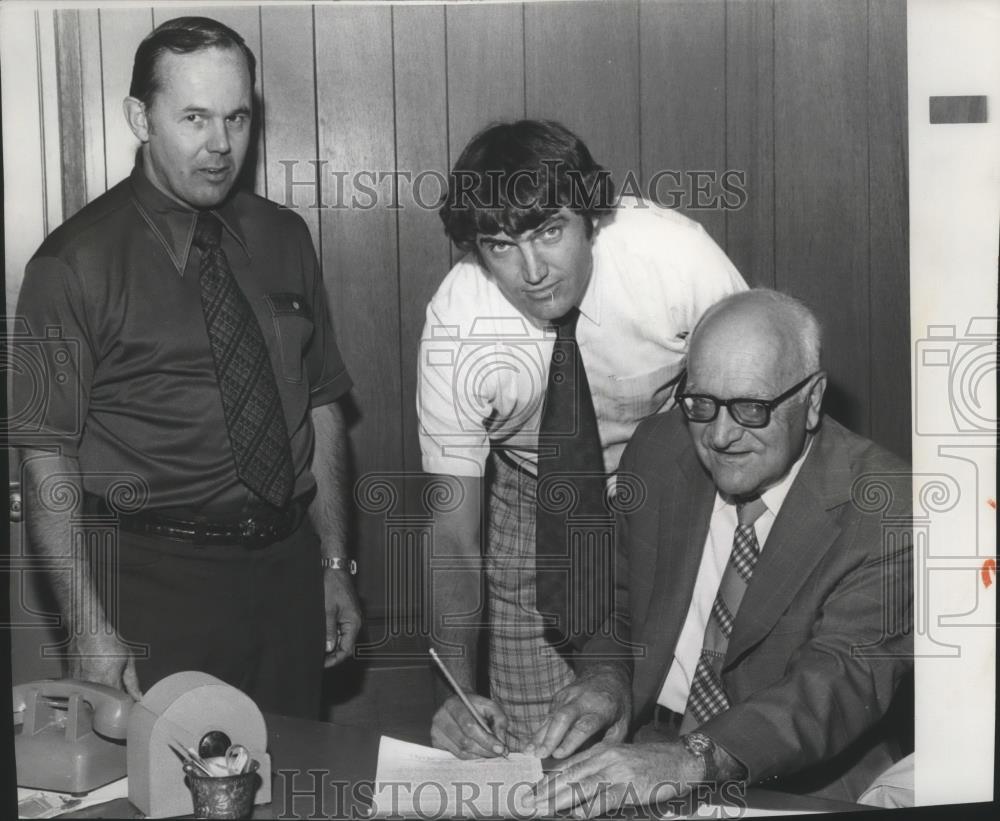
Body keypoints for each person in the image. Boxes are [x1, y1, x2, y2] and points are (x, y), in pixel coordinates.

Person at [11, 17, 360, 719]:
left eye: (236, 117)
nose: (220, 145)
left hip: (287, 574)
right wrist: (86, 623)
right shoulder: (71, 263)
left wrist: (332, 562)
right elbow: (44, 454)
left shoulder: (284, 237)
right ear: (140, 117)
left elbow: (320, 406)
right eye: (194, 117)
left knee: (288, 785)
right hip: (153, 584)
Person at [417, 120, 747, 758]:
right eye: (501, 245)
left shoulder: (673, 257)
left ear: (593, 216)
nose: (533, 271)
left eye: (549, 231)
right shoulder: (457, 324)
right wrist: (452, 694)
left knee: (693, 724)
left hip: (682, 474)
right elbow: (454, 537)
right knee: (533, 752)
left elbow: (763, 386)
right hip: (532, 492)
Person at [533, 289, 912, 813]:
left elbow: (835, 684)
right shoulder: (660, 448)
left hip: (795, 777)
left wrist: (690, 761)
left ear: (814, 400)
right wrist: (607, 677)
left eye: (752, 408)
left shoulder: (886, 505)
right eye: (702, 404)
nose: (721, 436)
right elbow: (615, 598)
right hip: (647, 747)